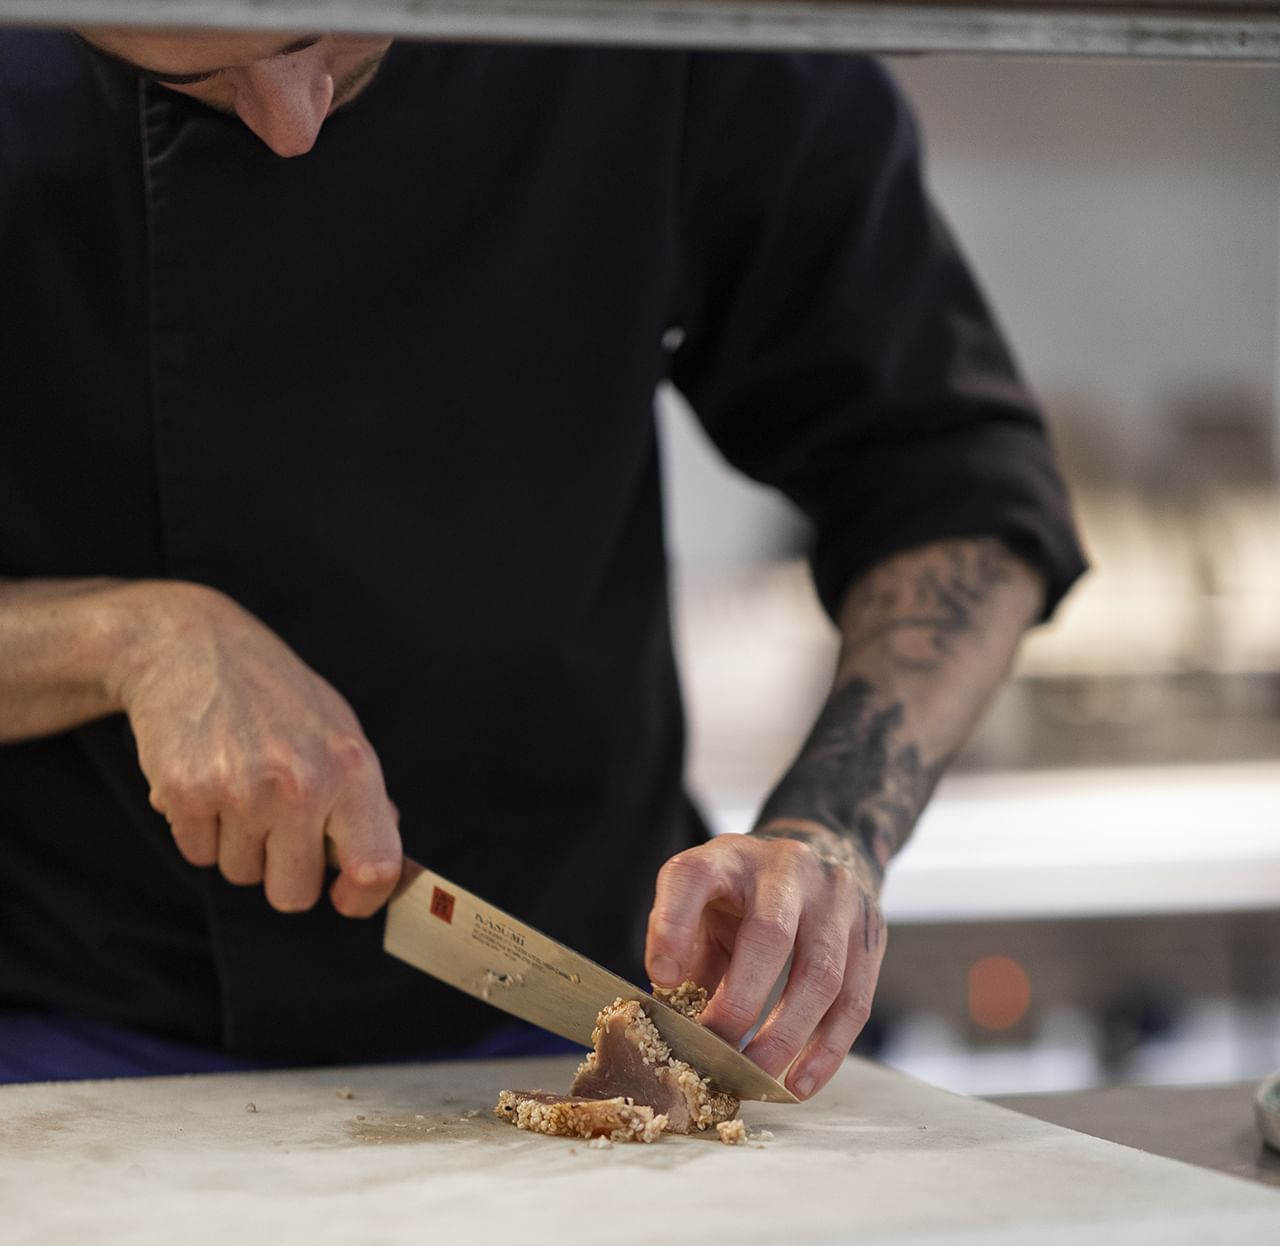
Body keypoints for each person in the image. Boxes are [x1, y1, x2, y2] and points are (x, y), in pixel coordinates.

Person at [0, 29, 1085, 1093]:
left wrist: (832, 830)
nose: (291, 123)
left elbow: (945, 480)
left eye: (331, 37)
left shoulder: (656, 40)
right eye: (196, 72)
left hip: (576, 1008)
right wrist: (126, 641)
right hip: (57, 1030)